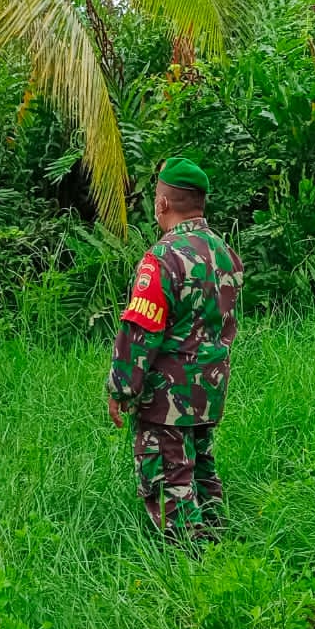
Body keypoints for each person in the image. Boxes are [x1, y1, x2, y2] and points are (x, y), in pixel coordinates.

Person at [106, 158, 245, 538]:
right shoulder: (225, 253)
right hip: (210, 387)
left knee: (170, 477)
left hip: (168, 395)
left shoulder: (163, 258)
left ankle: (189, 558)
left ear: (163, 204)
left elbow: (141, 328)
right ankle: (219, 544)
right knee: (200, 467)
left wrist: (121, 386)